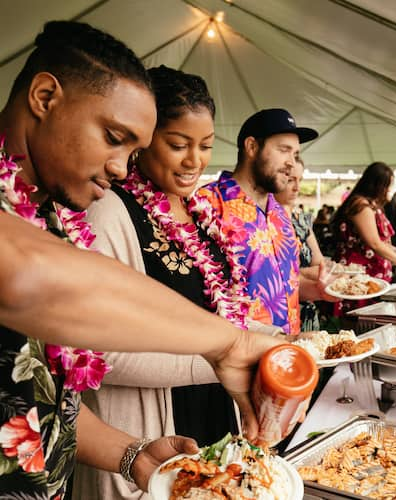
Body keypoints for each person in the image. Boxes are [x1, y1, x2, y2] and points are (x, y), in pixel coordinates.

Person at [0, 21, 284, 497]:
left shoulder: (49, 213)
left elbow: (34, 396)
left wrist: (130, 454)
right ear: (45, 96)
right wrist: (228, 345)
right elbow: (29, 277)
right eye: (114, 137)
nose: (119, 167)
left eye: (132, 150)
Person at [73, 66, 281, 499]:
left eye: (205, 146)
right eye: (177, 144)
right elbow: (97, 352)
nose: (194, 161)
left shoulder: (200, 215)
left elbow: (223, 319)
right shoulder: (110, 211)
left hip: (210, 415)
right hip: (147, 431)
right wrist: (222, 359)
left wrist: (276, 340)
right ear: (144, 138)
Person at [197, 108, 331, 335]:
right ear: (251, 147)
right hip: (235, 360)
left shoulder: (280, 214)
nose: (291, 163)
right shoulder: (207, 206)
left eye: (295, 154)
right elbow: (196, 300)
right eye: (284, 150)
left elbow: (286, 285)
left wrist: (319, 290)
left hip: (289, 355)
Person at [331, 162, 396, 314]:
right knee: (358, 320)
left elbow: (381, 241)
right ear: (377, 184)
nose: (388, 190)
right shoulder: (361, 205)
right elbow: (374, 243)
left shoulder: (369, 204)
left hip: (372, 275)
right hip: (360, 275)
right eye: (386, 185)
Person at [276, 157, 325, 331]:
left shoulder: (301, 219)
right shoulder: (263, 220)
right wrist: (310, 272)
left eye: (300, 180)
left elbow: (319, 262)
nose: (297, 187)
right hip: (280, 313)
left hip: (307, 309)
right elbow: (275, 275)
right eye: (291, 180)